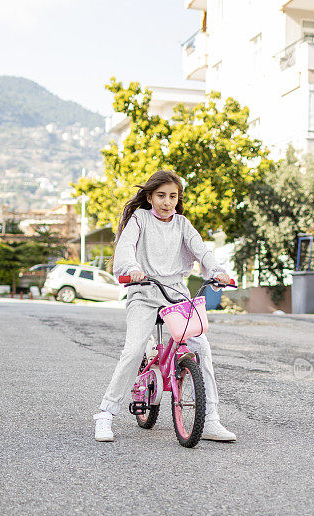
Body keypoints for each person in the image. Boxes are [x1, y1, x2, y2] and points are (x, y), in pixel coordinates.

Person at [94, 169, 236, 444]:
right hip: (144, 291)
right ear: (149, 197)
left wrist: (217, 270)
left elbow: (201, 250)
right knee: (133, 350)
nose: (167, 202)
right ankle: (105, 415)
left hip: (175, 293)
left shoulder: (182, 224)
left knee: (201, 348)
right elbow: (126, 249)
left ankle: (211, 420)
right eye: (161, 195)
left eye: (173, 196)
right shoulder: (140, 219)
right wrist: (132, 268)